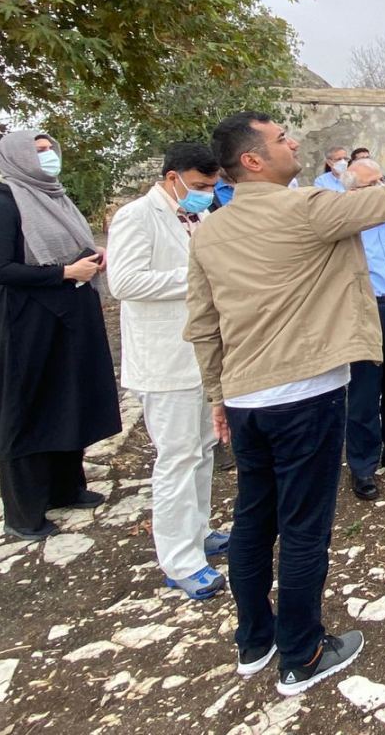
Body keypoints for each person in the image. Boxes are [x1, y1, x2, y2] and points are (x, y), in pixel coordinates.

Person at [185, 95, 385, 697]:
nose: (292, 142)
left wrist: (219, 395)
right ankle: (302, 654)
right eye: (280, 137)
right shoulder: (306, 209)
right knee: (302, 528)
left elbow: (203, 323)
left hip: (248, 401)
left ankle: (254, 641)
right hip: (304, 396)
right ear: (252, 159)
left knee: (252, 519)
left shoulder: (210, 231)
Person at [0, 132, 121, 541]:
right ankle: (23, 513)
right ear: (17, 158)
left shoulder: (55, 199)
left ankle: (65, 488)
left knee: (67, 400)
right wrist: (63, 273)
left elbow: (70, 249)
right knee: (26, 409)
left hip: (68, 317)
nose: (48, 157)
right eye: (38, 151)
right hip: (26, 324)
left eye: (50, 148)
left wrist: (92, 258)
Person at [107, 142, 231, 600]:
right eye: (199, 186)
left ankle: (199, 533)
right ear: (171, 176)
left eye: (212, 187)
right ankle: (179, 561)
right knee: (177, 458)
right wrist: (195, 275)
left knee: (201, 450)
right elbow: (124, 281)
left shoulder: (198, 216)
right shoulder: (137, 216)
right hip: (166, 357)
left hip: (204, 355)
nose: (206, 194)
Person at [314, 156, 385, 501]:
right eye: (372, 184)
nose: (382, 188)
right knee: (364, 391)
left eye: (384, 181)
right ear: (352, 192)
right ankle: (363, 466)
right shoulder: (345, 226)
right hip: (368, 312)